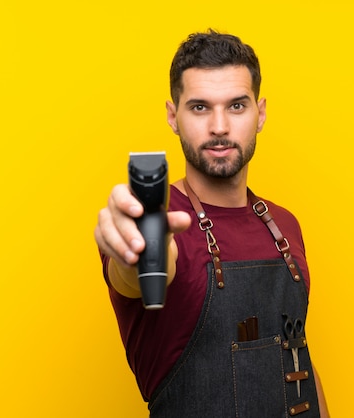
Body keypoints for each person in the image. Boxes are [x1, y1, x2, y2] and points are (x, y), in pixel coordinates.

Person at [94, 29, 330, 417]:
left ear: (261, 113)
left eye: (236, 106)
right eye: (200, 107)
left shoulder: (284, 224)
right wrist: (134, 248)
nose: (219, 126)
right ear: (174, 116)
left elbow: (297, 354)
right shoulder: (158, 221)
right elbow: (136, 271)